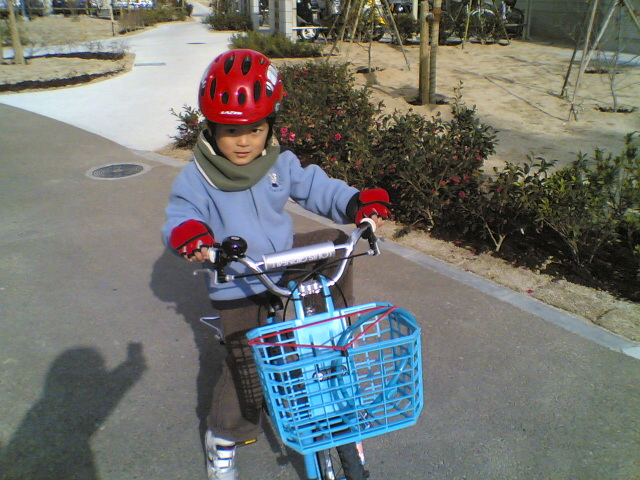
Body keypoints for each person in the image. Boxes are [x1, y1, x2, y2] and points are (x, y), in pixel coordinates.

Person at [161, 49, 390, 480]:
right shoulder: (197, 177)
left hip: (283, 262)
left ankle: (334, 331)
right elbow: (181, 214)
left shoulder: (278, 162)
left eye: (255, 129)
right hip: (239, 277)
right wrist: (191, 236)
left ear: (270, 126)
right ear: (210, 128)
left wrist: (355, 202)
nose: (244, 141)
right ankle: (223, 438)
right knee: (245, 364)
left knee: (334, 245)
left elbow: (316, 187)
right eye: (231, 131)